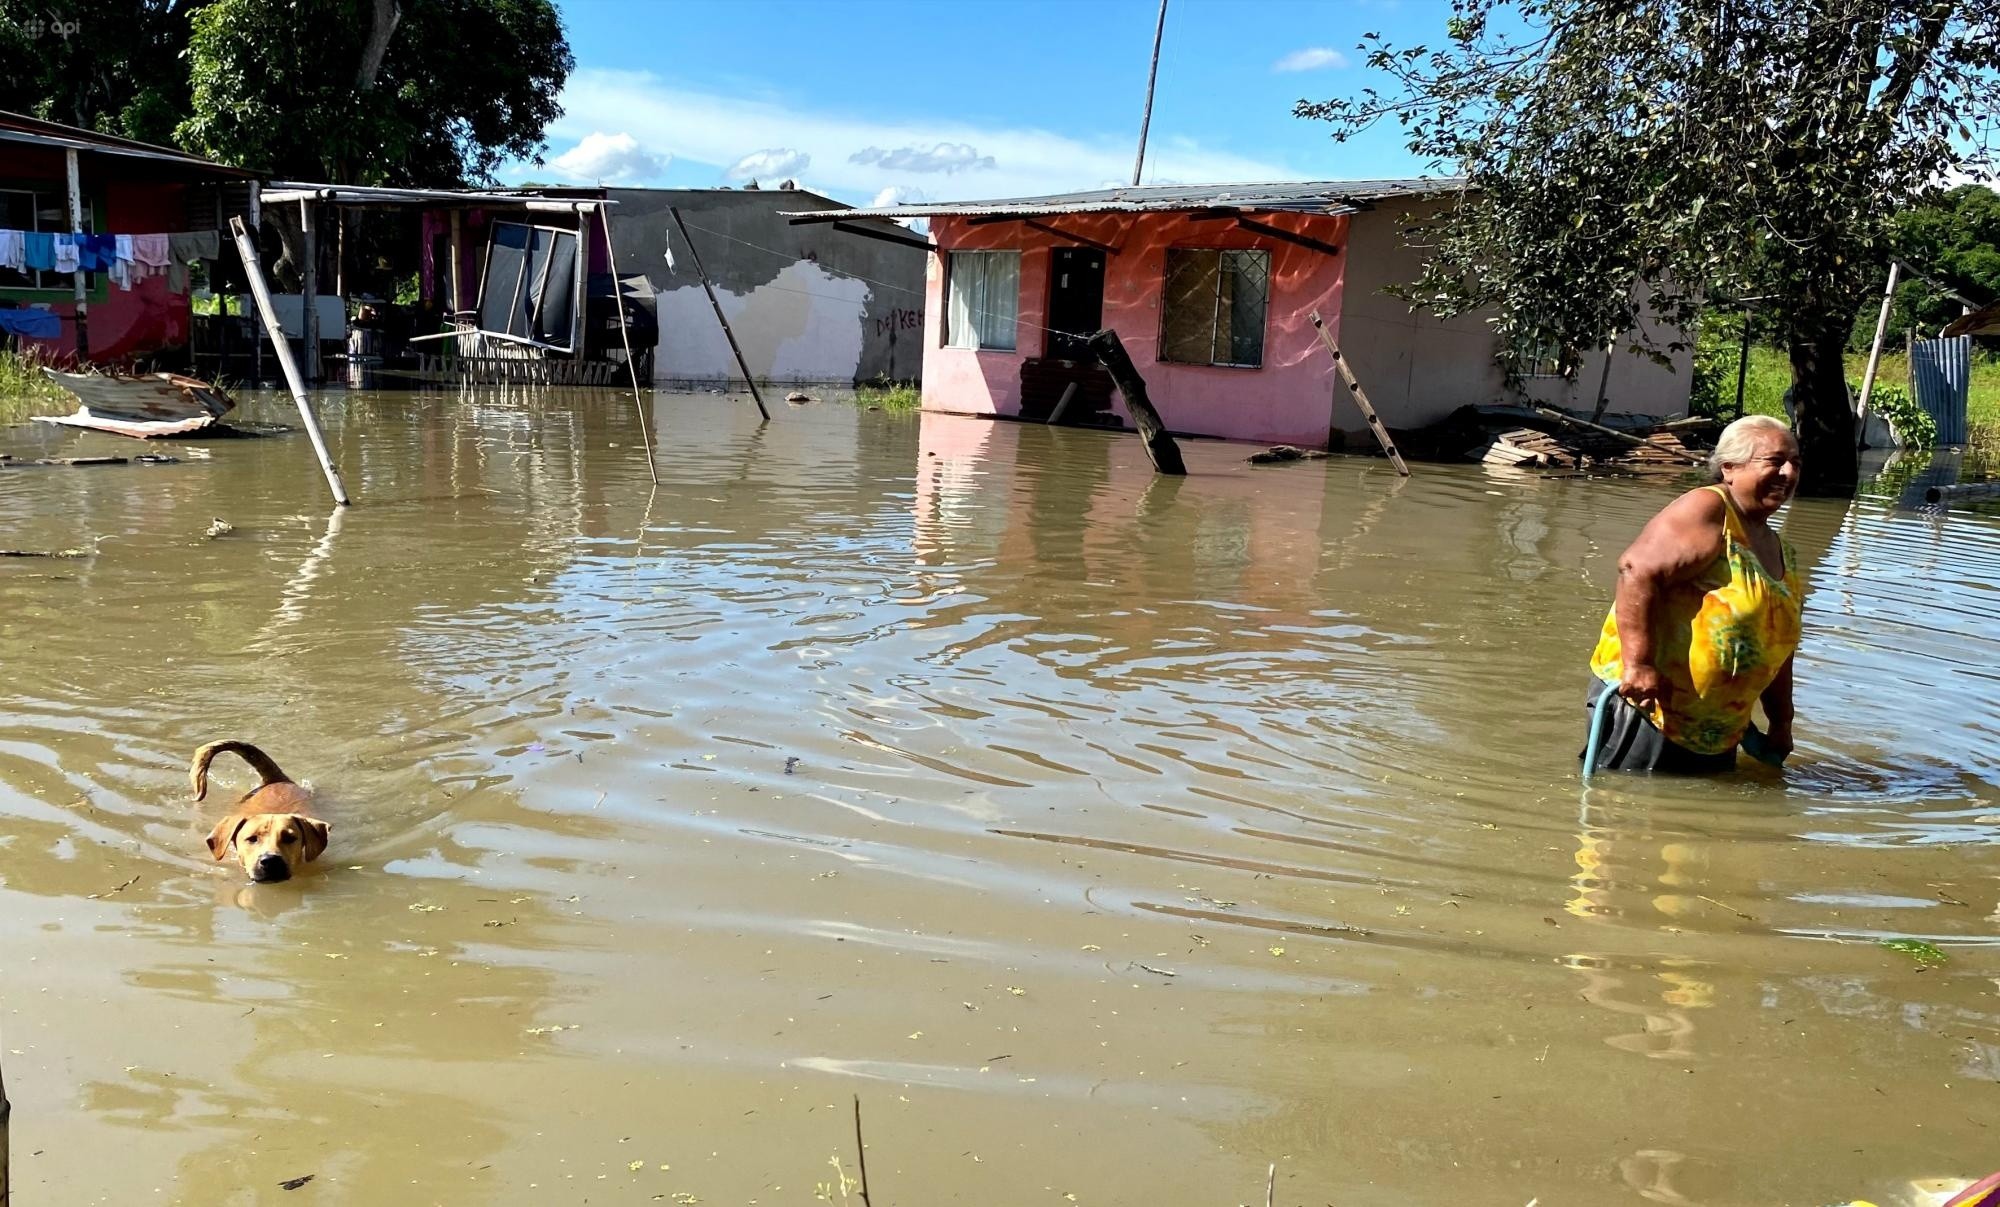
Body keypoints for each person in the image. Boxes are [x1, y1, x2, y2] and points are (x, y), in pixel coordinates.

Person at [1583, 414, 1806, 772]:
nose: (1788, 474)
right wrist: (1638, 665)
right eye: (1775, 461)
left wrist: (1781, 722)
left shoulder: (1782, 551)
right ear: (1729, 468)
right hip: (1650, 710)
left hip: (1719, 729)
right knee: (1626, 817)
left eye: (1795, 463)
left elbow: (1779, 649)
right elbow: (1636, 570)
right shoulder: (1708, 509)